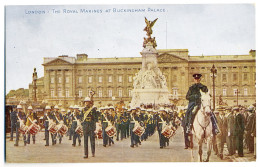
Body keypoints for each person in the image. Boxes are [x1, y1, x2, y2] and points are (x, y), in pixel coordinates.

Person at [184, 73, 219, 148]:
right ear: (194, 80)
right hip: (194, 103)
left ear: (200, 79)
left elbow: (208, 95)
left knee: (211, 113)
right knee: (191, 112)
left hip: (203, 103)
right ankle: (188, 127)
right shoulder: (191, 88)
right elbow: (187, 97)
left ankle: (215, 127)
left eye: (198, 79)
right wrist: (195, 96)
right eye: (195, 79)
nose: (197, 80)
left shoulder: (204, 87)